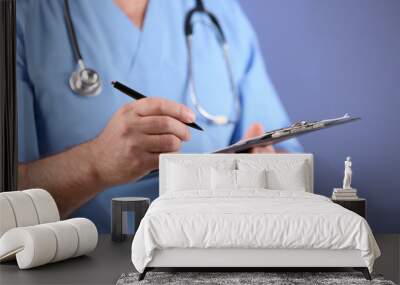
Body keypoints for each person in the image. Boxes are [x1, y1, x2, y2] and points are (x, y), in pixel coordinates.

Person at [16, 0, 302, 232]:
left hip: (212, 253)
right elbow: (9, 196)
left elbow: (279, 146)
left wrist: (264, 165)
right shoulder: (23, 16)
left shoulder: (219, 11)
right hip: (82, 263)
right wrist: (96, 164)